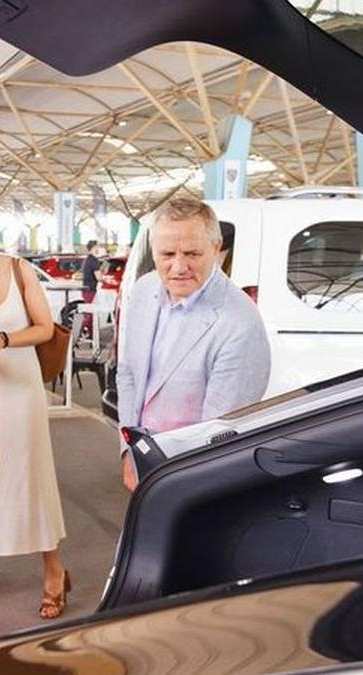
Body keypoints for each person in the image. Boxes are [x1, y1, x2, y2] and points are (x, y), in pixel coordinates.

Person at [0, 201, 71, 620]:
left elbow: (44, 327)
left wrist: (3, 339)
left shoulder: (19, 269)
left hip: (20, 389)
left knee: (29, 478)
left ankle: (54, 570)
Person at [116, 196, 270, 491]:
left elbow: (221, 431)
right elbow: (128, 374)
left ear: (216, 248)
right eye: (167, 254)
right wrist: (129, 453)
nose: (178, 267)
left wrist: (171, 482)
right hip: (144, 463)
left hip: (195, 475)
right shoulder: (144, 290)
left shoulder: (239, 323)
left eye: (192, 254)